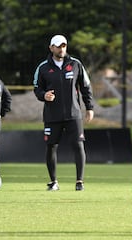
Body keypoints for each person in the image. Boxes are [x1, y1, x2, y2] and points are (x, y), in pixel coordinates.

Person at [33, 35, 95, 191]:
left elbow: (85, 87)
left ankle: (79, 182)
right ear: (51, 48)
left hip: (74, 114)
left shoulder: (75, 64)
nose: (61, 49)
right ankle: (53, 182)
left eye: (64, 46)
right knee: (51, 146)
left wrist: (90, 107)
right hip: (52, 116)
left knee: (78, 145)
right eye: (58, 46)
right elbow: (37, 88)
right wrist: (43, 95)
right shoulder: (43, 67)